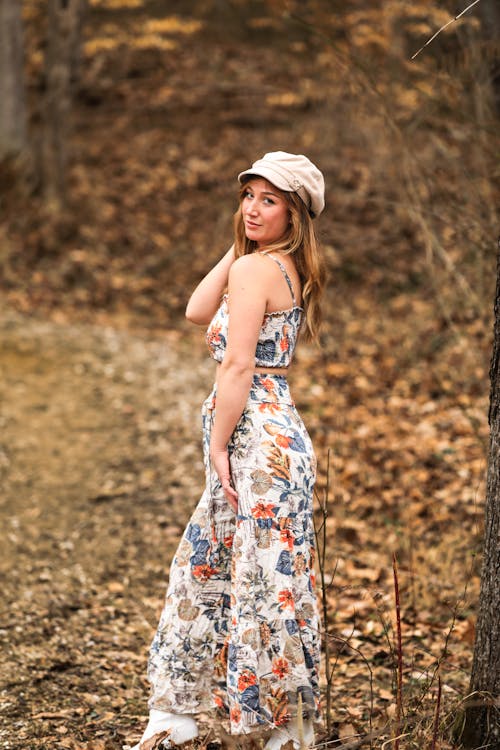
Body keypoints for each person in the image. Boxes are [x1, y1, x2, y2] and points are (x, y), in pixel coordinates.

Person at [131, 151, 326, 750]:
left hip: (253, 439)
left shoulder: (257, 272)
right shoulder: (277, 266)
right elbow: (196, 311)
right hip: (277, 434)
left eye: (270, 201)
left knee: (238, 574)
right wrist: (240, 245)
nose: (252, 208)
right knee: (260, 575)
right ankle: (271, 726)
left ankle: (231, 725)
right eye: (248, 196)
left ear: (295, 215)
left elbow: (239, 363)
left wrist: (218, 446)